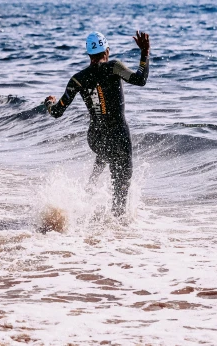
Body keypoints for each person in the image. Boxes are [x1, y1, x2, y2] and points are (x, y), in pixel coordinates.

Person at [44, 31, 150, 217]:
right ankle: (118, 227)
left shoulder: (77, 79)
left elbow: (57, 112)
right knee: (121, 185)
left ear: (89, 54)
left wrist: (49, 103)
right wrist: (144, 52)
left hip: (95, 138)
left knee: (105, 152)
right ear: (106, 51)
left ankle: (92, 184)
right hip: (119, 137)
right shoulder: (114, 67)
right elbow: (140, 79)